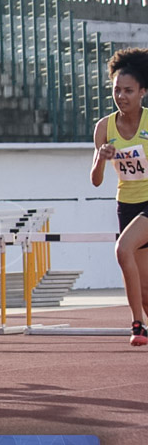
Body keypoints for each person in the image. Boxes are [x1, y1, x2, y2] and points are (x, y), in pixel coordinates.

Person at [91, 48, 148, 346]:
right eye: (116, 90)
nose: (121, 96)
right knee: (147, 291)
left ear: (143, 91)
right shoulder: (104, 128)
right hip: (126, 205)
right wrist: (101, 158)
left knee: (122, 249)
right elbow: (96, 180)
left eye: (128, 90)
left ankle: (137, 325)